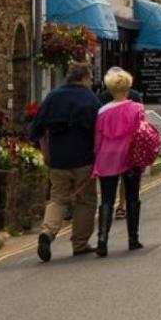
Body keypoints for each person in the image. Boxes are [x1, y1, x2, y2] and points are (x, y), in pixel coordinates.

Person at [29, 63, 100, 261]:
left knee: (58, 198)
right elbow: (99, 132)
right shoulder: (90, 99)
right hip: (84, 159)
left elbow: (37, 129)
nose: (91, 82)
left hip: (58, 159)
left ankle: (47, 232)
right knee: (85, 201)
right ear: (84, 78)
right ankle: (80, 243)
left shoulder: (53, 97)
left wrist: (46, 152)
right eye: (91, 78)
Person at [93, 68, 147, 255]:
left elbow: (98, 137)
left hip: (107, 157)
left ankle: (102, 238)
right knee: (132, 196)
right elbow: (142, 133)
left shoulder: (102, 112)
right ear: (128, 87)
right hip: (130, 156)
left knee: (107, 197)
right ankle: (133, 238)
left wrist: (97, 156)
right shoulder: (137, 108)